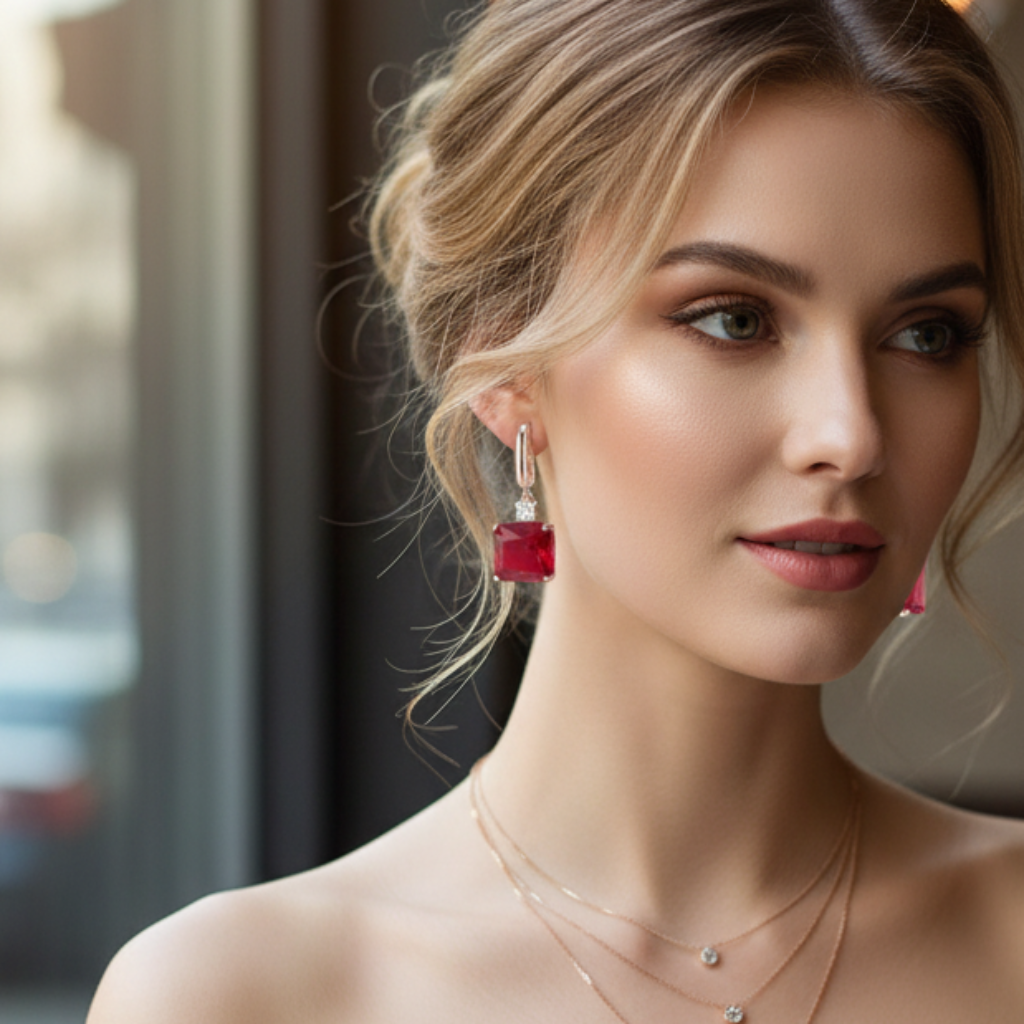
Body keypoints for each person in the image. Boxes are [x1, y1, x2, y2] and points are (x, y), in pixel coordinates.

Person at [88, 1, 1024, 1021]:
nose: (851, 434)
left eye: (927, 334)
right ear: (504, 358)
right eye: (733, 319)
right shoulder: (239, 997)